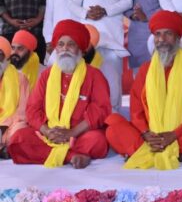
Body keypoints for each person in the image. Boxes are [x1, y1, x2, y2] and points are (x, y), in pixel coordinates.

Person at [106, 10, 182, 169]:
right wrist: (146, 133)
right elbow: (136, 108)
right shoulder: (146, 69)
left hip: (181, 134)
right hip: (151, 135)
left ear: (178, 37)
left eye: (168, 34)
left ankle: (148, 152)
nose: (162, 39)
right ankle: (177, 154)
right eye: (158, 34)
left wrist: (173, 134)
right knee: (113, 128)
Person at [9, 20, 111, 168]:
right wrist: (47, 131)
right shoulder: (46, 75)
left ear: (81, 49)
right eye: (61, 44)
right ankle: (72, 156)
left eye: (71, 44)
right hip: (49, 133)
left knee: (97, 140)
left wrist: (72, 132)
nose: (65, 49)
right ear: (55, 48)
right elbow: (33, 109)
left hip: (79, 134)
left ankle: (52, 153)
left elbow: (100, 110)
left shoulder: (94, 75)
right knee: (19, 138)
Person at [69, 0, 132, 111]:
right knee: (87, 78)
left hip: (112, 38)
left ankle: (114, 114)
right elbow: (72, 4)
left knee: (113, 80)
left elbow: (127, 1)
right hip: (89, 40)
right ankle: (88, 113)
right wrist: (86, 13)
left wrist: (106, 10)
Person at [0, 37, 30, 158]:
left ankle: (7, 148)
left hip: (11, 124)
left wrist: (2, 127)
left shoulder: (20, 79)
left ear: (7, 59)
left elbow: (22, 111)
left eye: (0, 55)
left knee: (20, 130)